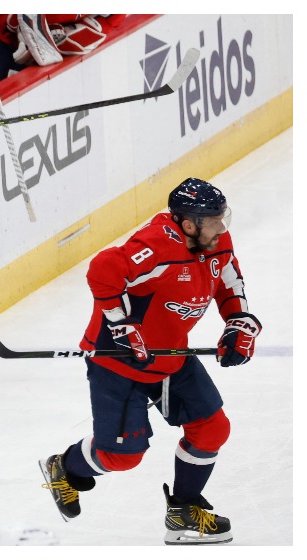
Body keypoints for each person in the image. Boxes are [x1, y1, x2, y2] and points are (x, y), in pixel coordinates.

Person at [39, 179, 260, 545]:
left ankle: (183, 510)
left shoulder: (215, 241)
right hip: (119, 361)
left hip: (170, 354)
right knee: (122, 457)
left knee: (212, 428)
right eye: (213, 220)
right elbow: (103, 270)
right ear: (189, 224)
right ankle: (65, 467)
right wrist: (121, 324)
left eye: (222, 218)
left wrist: (238, 320)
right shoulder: (158, 245)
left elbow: (229, 282)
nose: (222, 227)